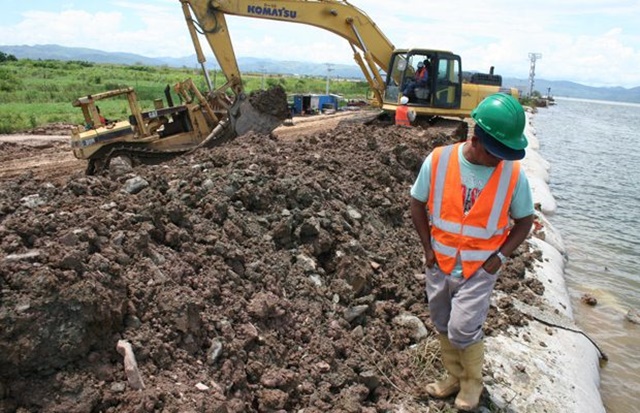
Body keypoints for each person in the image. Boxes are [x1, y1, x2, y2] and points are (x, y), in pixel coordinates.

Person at [409, 93, 534, 411]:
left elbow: (524, 220)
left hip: (480, 268)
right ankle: (453, 377)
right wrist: (427, 248)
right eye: (496, 152)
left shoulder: (513, 175)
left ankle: (472, 384)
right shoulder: (439, 160)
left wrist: (500, 257)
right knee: (441, 321)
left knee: (463, 327)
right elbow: (416, 203)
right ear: (475, 138)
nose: (501, 160)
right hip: (440, 261)